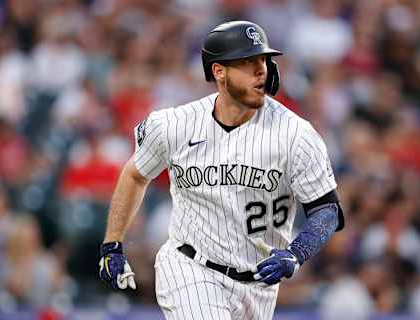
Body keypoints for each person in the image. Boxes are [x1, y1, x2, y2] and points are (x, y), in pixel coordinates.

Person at [99, 20, 345, 319]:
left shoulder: (296, 134)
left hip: (259, 284)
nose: (261, 70)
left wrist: (296, 253)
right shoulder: (176, 125)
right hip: (191, 266)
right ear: (219, 71)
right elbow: (136, 174)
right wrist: (112, 244)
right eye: (247, 62)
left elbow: (327, 211)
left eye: (263, 60)